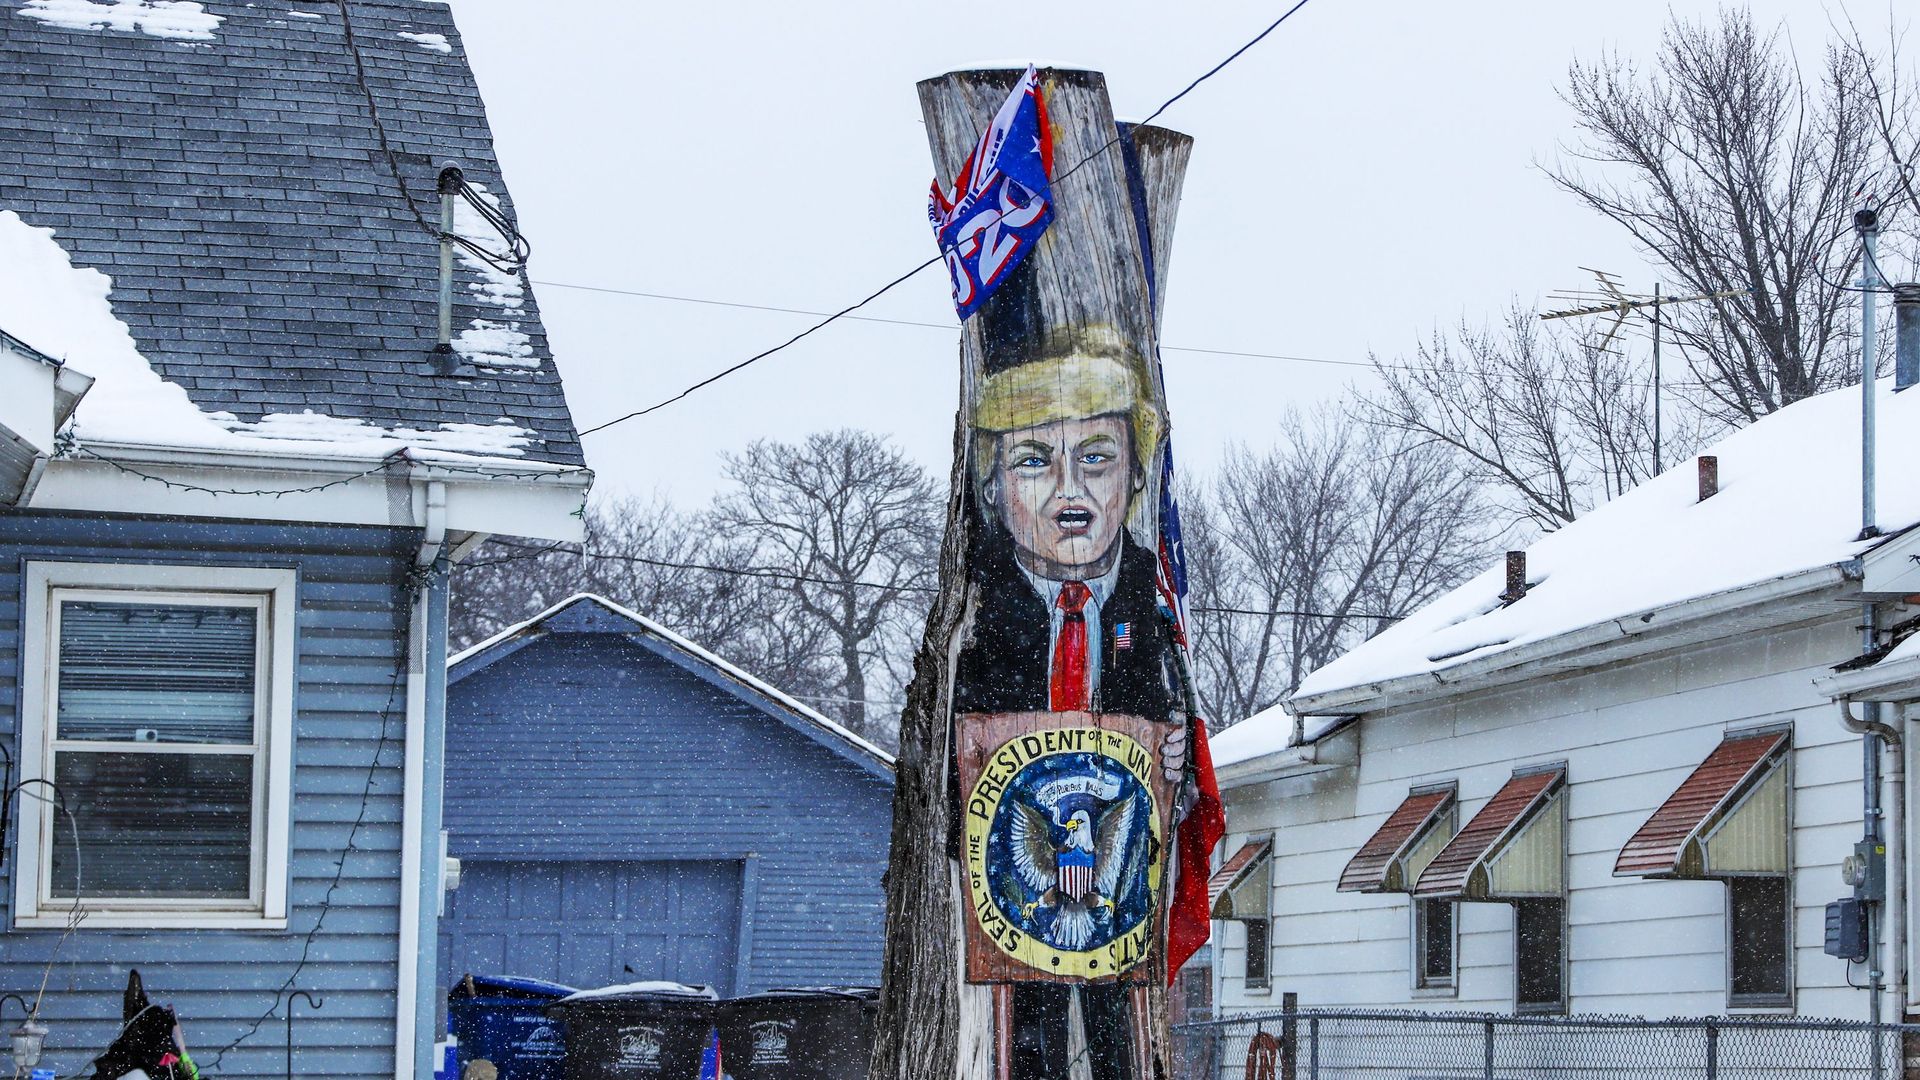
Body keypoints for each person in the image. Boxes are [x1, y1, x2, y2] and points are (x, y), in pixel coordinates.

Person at [953, 336, 1185, 1080]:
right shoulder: (977, 605)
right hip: (1016, 876)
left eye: (1094, 457)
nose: (1069, 491)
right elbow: (954, 739)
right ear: (991, 486)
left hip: (1117, 874)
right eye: (1033, 461)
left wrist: (1172, 759)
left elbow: (1165, 713)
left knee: (1119, 1023)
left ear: (1135, 475)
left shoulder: (1150, 605)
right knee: (1032, 1028)